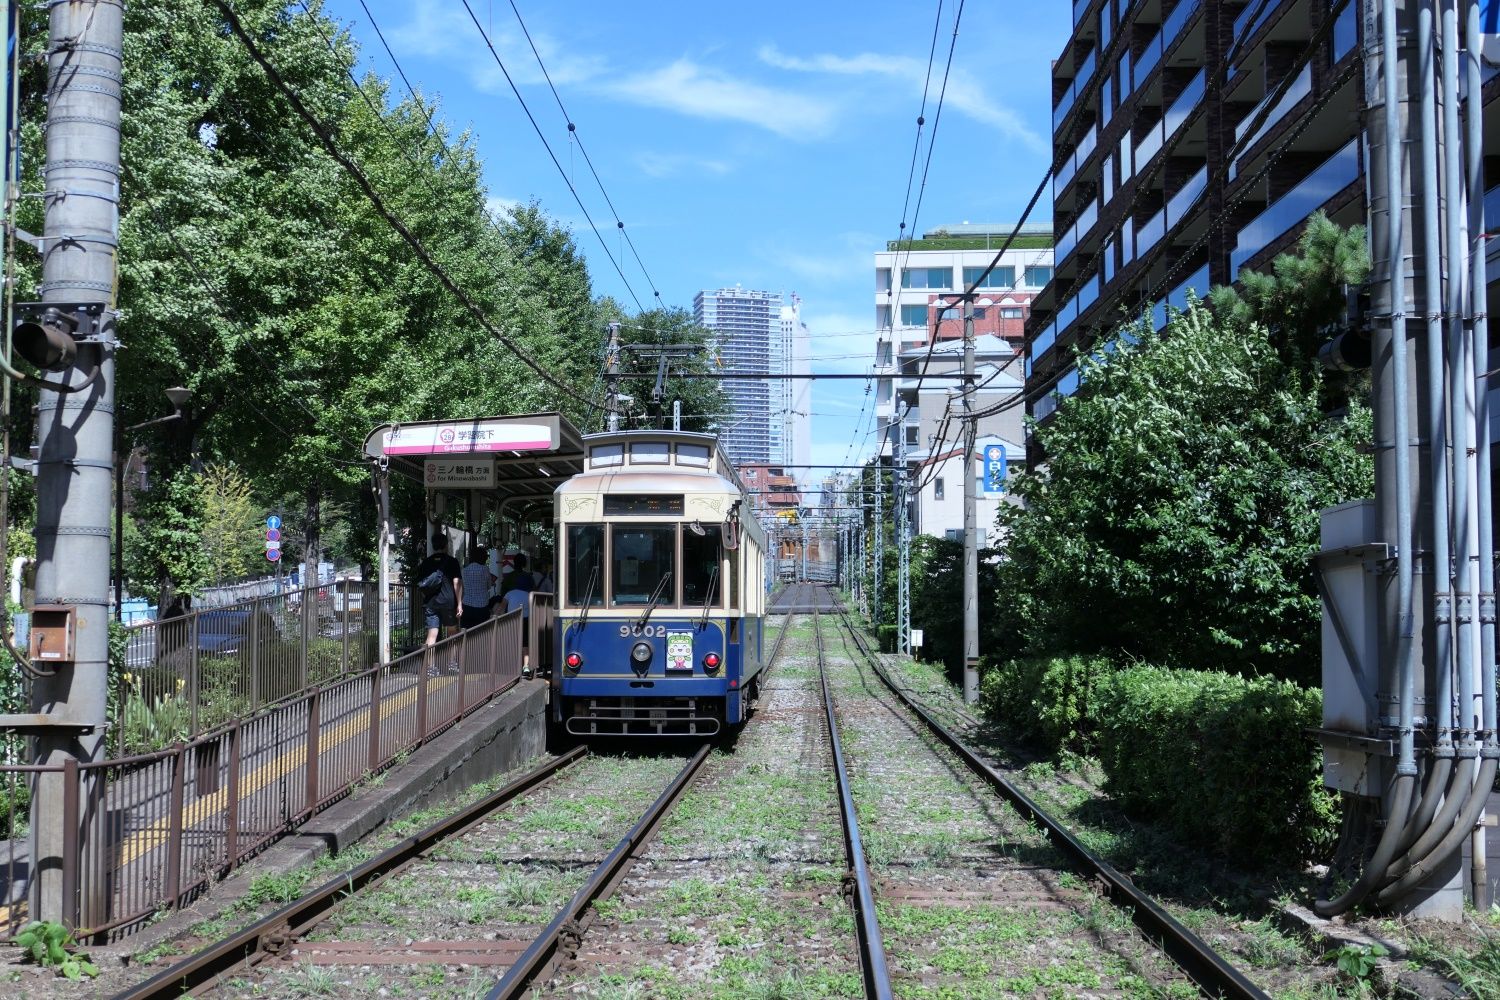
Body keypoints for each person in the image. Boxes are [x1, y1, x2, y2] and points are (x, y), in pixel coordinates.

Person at [413, 533, 463, 650]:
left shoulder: (426, 562)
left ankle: (430, 667)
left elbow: (421, 584)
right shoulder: (452, 561)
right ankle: (452, 664)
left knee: (431, 636)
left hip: (430, 603)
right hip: (448, 602)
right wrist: (459, 603)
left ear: (433, 545)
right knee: (452, 633)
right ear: (446, 544)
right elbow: (456, 582)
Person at [460, 544, 495, 629]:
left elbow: (463, 587)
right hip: (482, 606)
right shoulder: (485, 569)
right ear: (483, 557)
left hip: (467, 605)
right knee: (481, 633)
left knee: (467, 632)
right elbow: (489, 586)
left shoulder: (464, 570)